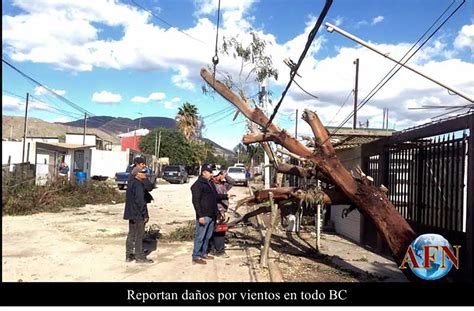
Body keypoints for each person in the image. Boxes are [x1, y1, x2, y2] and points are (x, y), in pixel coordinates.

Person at [190, 163, 230, 265]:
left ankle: (204, 253)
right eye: (210, 172)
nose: (212, 174)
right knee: (200, 236)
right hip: (204, 215)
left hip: (212, 214)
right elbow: (196, 202)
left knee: (208, 236)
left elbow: (215, 196)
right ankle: (196, 256)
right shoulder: (197, 185)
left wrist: (226, 196)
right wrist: (200, 216)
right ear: (204, 172)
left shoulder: (210, 183)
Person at [124, 166, 153, 264]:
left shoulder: (131, 183)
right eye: (143, 172)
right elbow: (141, 201)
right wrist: (145, 214)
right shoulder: (138, 185)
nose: (145, 174)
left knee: (131, 234)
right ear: (138, 174)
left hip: (131, 213)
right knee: (139, 235)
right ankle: (139, 257)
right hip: (138, 214)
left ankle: (129, 255)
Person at [208, 171, 235, 258]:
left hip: (222, 209)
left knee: (216, 229)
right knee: (219, 230)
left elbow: (232, 182)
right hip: (217, 210)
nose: (221, 177)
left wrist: (225, 175)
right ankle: (219, 250)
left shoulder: (222, 184)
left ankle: (214, 249)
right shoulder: (212, 185)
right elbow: (215, 198)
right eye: (219, 175)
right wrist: (220, 211)